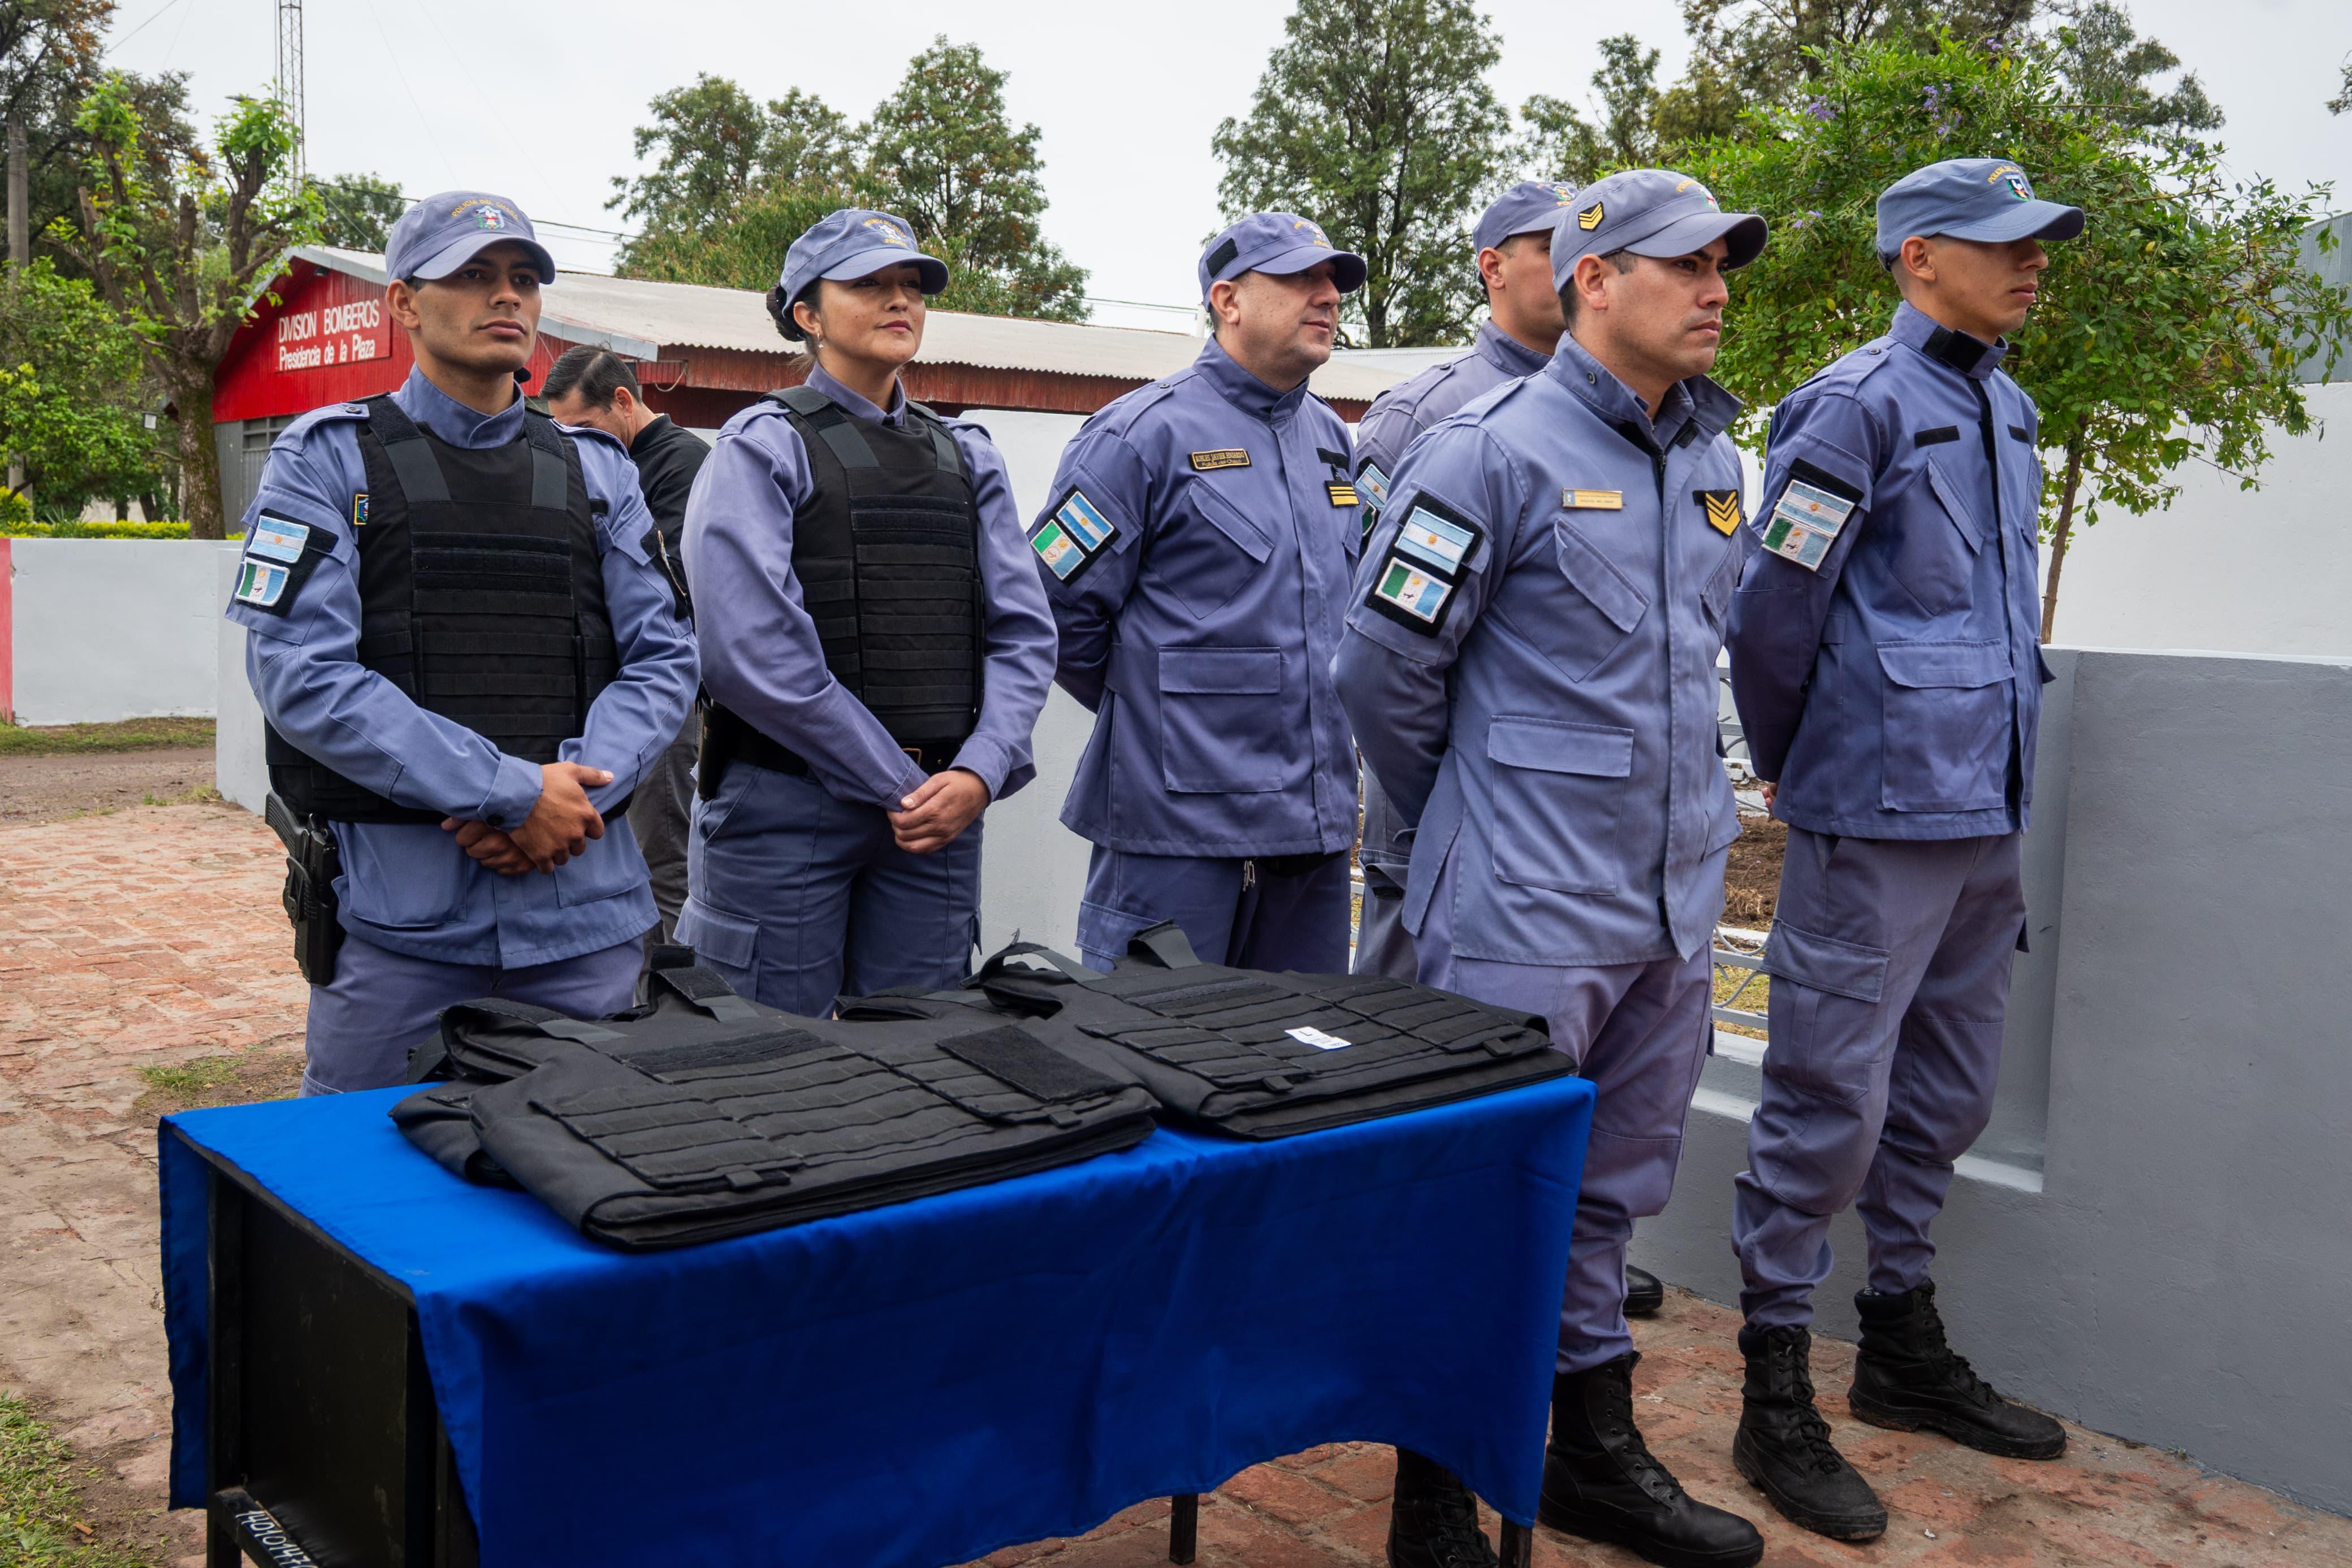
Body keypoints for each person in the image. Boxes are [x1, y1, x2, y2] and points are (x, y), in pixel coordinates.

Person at [1335, 170, 1772, 1568]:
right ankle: (1433, 1493)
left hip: (1667, 904)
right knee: (1481, 1190)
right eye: (1682, 266)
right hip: (1519, 904)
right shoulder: (1485, 452)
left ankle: (1588, 1451)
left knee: (1612, 1190)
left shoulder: (1713, 461)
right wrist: (1477, 819)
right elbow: (1382, 673)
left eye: (1723, 267)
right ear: (1594, 280)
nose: (1714, 290)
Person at [1723, 157, 2078, 1541]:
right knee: (1828, 1101)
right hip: (1873, 812)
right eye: (2005, 245)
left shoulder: (2007, 404)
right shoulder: (1851, 405)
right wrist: (1798, 764)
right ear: (1916, 255)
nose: (2033, 263)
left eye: (2041, 243)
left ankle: (1895, 1344)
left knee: (1946, 1097)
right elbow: (1772, 616)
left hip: (1985, 812)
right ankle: (1770, 1383)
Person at [227, 191, 697, 1095]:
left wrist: (571, 796)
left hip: (582, 919)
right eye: (473, 276)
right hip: (400, 931)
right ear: (403, 300)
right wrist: (511, 793)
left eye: (523, 279)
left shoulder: (597, 472)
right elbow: (301, 672)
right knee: (366, 1204)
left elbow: (666, 655)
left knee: (593, 1187)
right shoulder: (324, 458)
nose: (506, 298)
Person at [1347, 179, 1668, 1324]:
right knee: (1414, 1082)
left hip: (1607, 871)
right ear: (1496, 266)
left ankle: (1561, 1323)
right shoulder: (1433, 420)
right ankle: (1394, 1293)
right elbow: (1379, 643)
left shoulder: (1674, 437)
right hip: (1445, 837)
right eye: (1542, 248)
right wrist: (1470, 802)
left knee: (1571, 1146)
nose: (1561, 265)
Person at [677, 209, 1055, 1016]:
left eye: (911, 287)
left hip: (938, 816)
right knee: (767, 1062)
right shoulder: (761, 447)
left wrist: (980, 773)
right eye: (869, 285)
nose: (899, 301)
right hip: (792, 807)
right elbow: (754, 656)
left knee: (923, 1056)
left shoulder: (967, 455)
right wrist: (900, 783)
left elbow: (1025, 635)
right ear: (807, 315)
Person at [1030, 213, 1364, 978]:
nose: (1326, 297)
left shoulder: (1331, 440)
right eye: (1300, 280)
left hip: (1307, 841)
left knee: (1297, 1063)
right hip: (1172, 834)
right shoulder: (1140, 435)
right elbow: (1054, 607)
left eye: (1333, 283)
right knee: (1153, 1059)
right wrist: (1163, 710)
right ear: (1228, 300)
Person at [542, 346, 708, 954]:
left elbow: (667, 587)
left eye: (583, 429)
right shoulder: (599, 465)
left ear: (621, 401)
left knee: (662, 853)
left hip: (661, 694)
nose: (575, 445)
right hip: (610, 694)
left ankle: (675, 1000)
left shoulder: (682, 463)